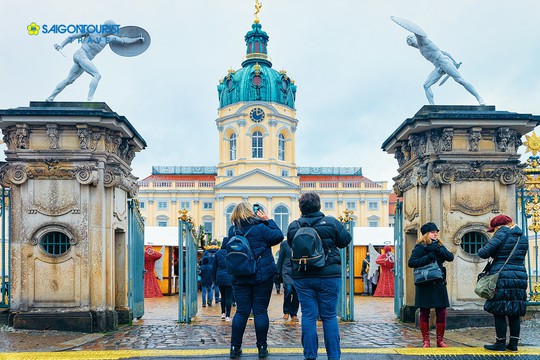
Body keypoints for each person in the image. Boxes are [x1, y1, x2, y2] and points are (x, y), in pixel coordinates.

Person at [286, 192, 352, 360]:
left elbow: (291, 243)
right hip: (329, 275)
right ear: (319, 205)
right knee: (329, 316)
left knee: (308, 315)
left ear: (301, 207)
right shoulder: (331, 222)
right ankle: (334, 356)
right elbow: (345, 240)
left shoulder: (294, 226)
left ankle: (309, 355)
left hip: (303, 276)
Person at [227, 202, 284, 359]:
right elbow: (278, 236)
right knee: (260, 311)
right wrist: (268, 220)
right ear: (250, 213)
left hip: (240, 276)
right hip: (262, 275)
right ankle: (262, 348)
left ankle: (234, 347)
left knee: (241, 311)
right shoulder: (260, 227)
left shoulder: (233, 230)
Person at [46, 20, 144, 102]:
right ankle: (89, 100)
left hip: (85, 59)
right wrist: (61, 45)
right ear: (107, 28)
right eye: (113, 29)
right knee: (97, 75)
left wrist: (138, 39)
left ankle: (50, 97)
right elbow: (74, 36)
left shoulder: (109, 38)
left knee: (69, 80)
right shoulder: (91, 30)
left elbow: (124, 40)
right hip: (80, 54)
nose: (114, 31)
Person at [477, 214, 528, 352]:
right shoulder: (522, 236)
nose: (493, 231)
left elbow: (483, 252)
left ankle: (500, 343)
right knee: (514, 310)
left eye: (493, 229)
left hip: (502, 275)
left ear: (498, 227)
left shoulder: (501, 234)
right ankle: (513, 344)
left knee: (499, 310)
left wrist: (491, 243)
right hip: (519, 276)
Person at [407, 222, 454, 348]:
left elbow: (450, 257)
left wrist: (439, 250)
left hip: (439, 282)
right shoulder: (420, 247)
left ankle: (440, 341)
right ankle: (426, 341)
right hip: (425, 282)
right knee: (424, 312)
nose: (436, 234)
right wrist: (429, 256)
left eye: (436, 231)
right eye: (433, 232)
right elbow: (412, 262)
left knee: (442, 312)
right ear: (426, 234)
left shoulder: (439, 245)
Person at [405, 33, 484, 106]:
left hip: (444, 62)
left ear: (415, 38)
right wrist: (440, 67)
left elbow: (443, 52)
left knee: (459, 80)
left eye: (411, 37)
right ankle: (432, 107)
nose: (409, 40)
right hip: (438, 67)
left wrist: (454, 62)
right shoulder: (421, 50)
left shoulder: (425, 42)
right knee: (426, 85)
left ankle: (479, 98)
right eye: (408, 40)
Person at [276, 240, 299, 321]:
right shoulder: (284, 244)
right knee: (288, 290)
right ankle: (286, 311)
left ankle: (294, 313)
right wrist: (278, 271)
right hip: (286, 271)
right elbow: (280, 258)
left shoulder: (300, 241)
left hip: (297, 271)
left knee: (297, 294)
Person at [213, 237, 234, 321]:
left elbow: (214, 267)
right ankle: (228, 316)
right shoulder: (231, 252)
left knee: (223, 296)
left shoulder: (218, 253)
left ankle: (223, 313)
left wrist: (214, 278)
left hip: (220, 277)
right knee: (229, 297)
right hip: (229, 277)